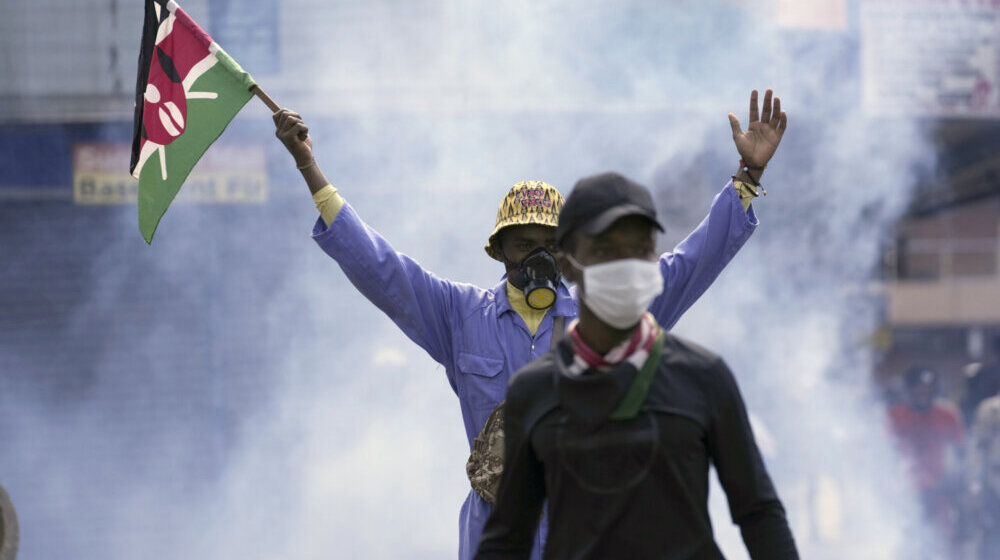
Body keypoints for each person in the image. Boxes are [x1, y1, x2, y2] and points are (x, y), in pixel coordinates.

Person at [273, 90, 789, 560]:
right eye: (523, 245)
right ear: (498, 251)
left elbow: (689, 265)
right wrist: (309, 167)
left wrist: (746, 179)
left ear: (568, 253)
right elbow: (380, 268)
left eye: (549, 244)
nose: (537, 257)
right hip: (498, 528)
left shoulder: (607, 314)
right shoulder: (459, 315)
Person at [475, 172, 798, 560]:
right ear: (567, 263)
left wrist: (745, 182)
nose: (625, 265)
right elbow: (507, 539)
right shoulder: (536, 392)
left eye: (640, 248)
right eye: (606, 250)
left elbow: (759, 513)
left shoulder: (703, 377)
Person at [887, 367, 964, 543]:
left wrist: (956, 480)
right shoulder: (894, 415)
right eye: (918, 390)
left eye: (928, 390)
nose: (923, 394)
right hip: (905, 489)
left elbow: (960, 451)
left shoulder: (947, 415)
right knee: (908, 537)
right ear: (909, 390)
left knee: (943, 538)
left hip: (940, 489)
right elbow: (885, 451)